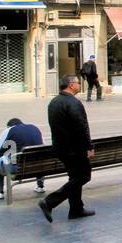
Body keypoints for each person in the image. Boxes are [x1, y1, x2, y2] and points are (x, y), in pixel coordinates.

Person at [39, 75, 95, 222]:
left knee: (75, 177)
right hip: (75, 149)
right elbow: (81, 127)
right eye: (77, 83)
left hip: (60, 148)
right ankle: (50, 202)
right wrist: (89, 147)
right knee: (84, 176)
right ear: (71, 85)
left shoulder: (54, 102)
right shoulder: (73, 103)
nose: (79, 85)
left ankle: (76, 209)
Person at [0, 116, 46, 200]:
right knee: (37, 156)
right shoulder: (34, 127)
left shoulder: (9, 130)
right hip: (38, 166)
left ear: (9, 126)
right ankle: (40, 186)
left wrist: (1, 157)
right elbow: (42, 146)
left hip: (18, 169)